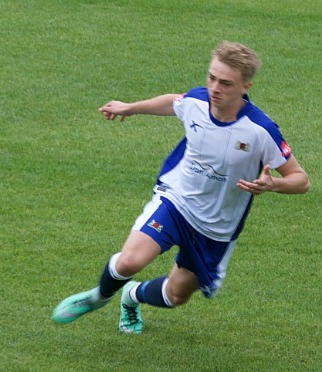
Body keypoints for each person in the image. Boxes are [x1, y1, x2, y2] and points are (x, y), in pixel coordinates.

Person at [53, 41, 309, 334]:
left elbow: (301, 180)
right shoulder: (198, 101)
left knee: (176, 295)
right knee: (129, 261)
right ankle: (99, 296)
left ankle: (131, 296)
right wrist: (131, 108)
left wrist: (273, 184)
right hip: (177, 201)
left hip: (216, 228)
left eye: (226, 83)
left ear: (245, 86)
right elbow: (174, 101)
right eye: (211, 77)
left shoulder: (260, 130)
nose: (215, 88)